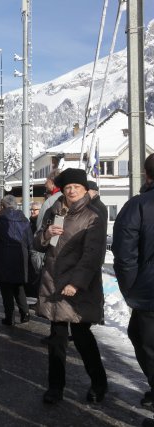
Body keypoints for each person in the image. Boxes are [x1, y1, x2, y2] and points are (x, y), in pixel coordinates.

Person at [34, 168, 107, 404]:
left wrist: (76, 282)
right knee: (57, 339)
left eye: (77, 186)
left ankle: (99, 383)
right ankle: (55, 388)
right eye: (67, 187)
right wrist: (46, 234)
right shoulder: (55, 211)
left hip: (78, 286)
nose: (72, 190)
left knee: (82, 337)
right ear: (62, 191)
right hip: (54, 283)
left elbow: (92, 255)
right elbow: (38, 243)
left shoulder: (93, 215)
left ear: (85, 189)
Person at [112, 153, 154, 423]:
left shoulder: (139, 205)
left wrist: (131, 293)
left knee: (146, 343)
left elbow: (124, 255)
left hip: (150, 293)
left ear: (146, 175)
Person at [0, 194, 33, 326]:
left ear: (3, 205)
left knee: (5, 288)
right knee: (18, 286)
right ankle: (25, 313)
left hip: (3, 256)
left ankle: (10, 317)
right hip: (21, 256)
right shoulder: (24, 220)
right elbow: (30, 241)